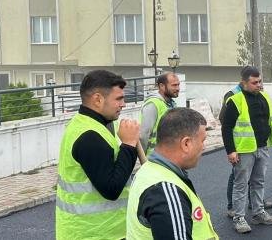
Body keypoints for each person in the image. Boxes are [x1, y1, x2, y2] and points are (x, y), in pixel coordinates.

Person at [55, 70, 139, 240]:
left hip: (94, 231)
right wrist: (129, 145)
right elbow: (111, 188)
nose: (124, 104)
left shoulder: (86, 125)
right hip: (95, 233)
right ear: (98, 99)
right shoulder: (90, 136)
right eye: (118, 99)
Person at [126, 108, 219, 239]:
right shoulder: (166, 190)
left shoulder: (148, 170)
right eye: (202, 140)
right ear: (186, 143)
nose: (203, 147)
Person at [221, 66, 272, 233]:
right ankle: (239, 218)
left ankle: (258, 213)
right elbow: (226, 127)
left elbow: (271, 122)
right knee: (240, 184)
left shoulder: (265, 98)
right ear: (244, 83)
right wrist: (231, 150)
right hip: (244, 150)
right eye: (254, 82)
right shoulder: (235, 100)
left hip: (262, 147)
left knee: (258, 182)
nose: (259, 85)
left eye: (260, 81)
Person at [139, 72, 180, 155]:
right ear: (162, 86)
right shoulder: (152, 104)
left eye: (178, 85)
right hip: (155, 157)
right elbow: (143, 134)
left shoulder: (171, 103)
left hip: (169, 155)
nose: (178, 88)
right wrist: (143, 157)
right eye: (174, 85)